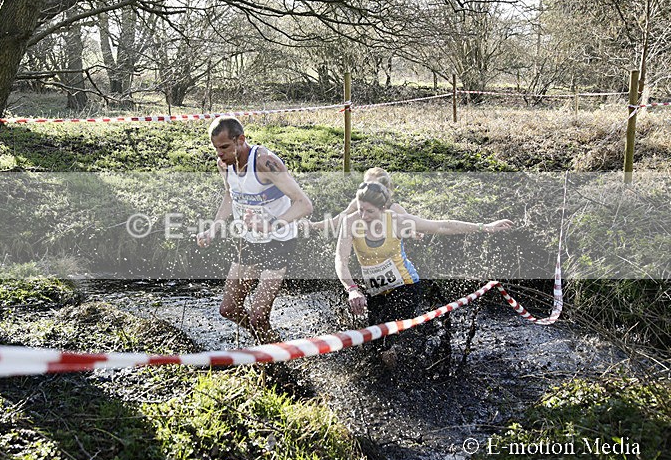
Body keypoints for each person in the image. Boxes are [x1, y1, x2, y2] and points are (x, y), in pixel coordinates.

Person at [335, 181, 513, 366]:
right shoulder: (350, 223)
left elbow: (441, 226)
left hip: (406, 286)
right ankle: (400, 356)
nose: (363, 216)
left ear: (382, 208)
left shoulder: (396, 220)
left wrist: (485, 227)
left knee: (383, 338)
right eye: (360, 209)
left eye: (369, 211)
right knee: (373, 342)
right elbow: (341, 259)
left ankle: (395, 380)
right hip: (377, 291)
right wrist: (352, 288)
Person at [196, 116, 313, 343]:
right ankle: (271, 344)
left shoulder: (264, 162)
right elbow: (230, 195)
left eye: (224, 147)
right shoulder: (224, 164)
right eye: (216, 148)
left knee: (259, 316)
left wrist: (271, 226)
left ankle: (275, 360)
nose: (219, 154)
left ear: (241, 140)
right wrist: (212, 230)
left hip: (279, 242)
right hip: (248, 241)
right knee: (228, 309)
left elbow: (304, 204)